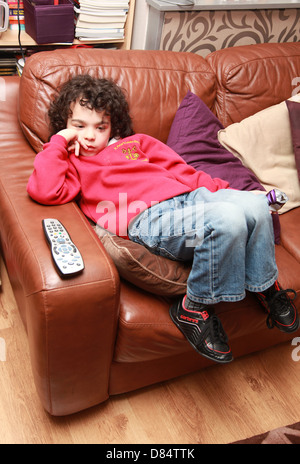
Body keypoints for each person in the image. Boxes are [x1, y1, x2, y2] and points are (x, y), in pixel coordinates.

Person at [27, 74, 299, 364]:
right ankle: (192, 308)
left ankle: (262, 284)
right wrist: (59, 142)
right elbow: (45, 190)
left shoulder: (138, 143)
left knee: (256, 205)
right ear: (65, 126)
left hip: (191, 199)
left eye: (100, 127)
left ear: (113, 126)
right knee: (228, 219)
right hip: (149, 218)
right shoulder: (71, 161)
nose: (90, 135)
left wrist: (224, 193)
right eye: (79, 126)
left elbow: (185, 172)